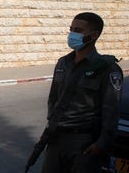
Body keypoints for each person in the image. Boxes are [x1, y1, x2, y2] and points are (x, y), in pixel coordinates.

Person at [42, 12, 124, 173]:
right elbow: (53, 99)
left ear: (93, 35)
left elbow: (111, 109)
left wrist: (101, 143)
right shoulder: (63, 63)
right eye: (71, 29)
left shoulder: (107, 69)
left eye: (78, 30)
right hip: (56, 138)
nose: (72, 34)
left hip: (83, 142)